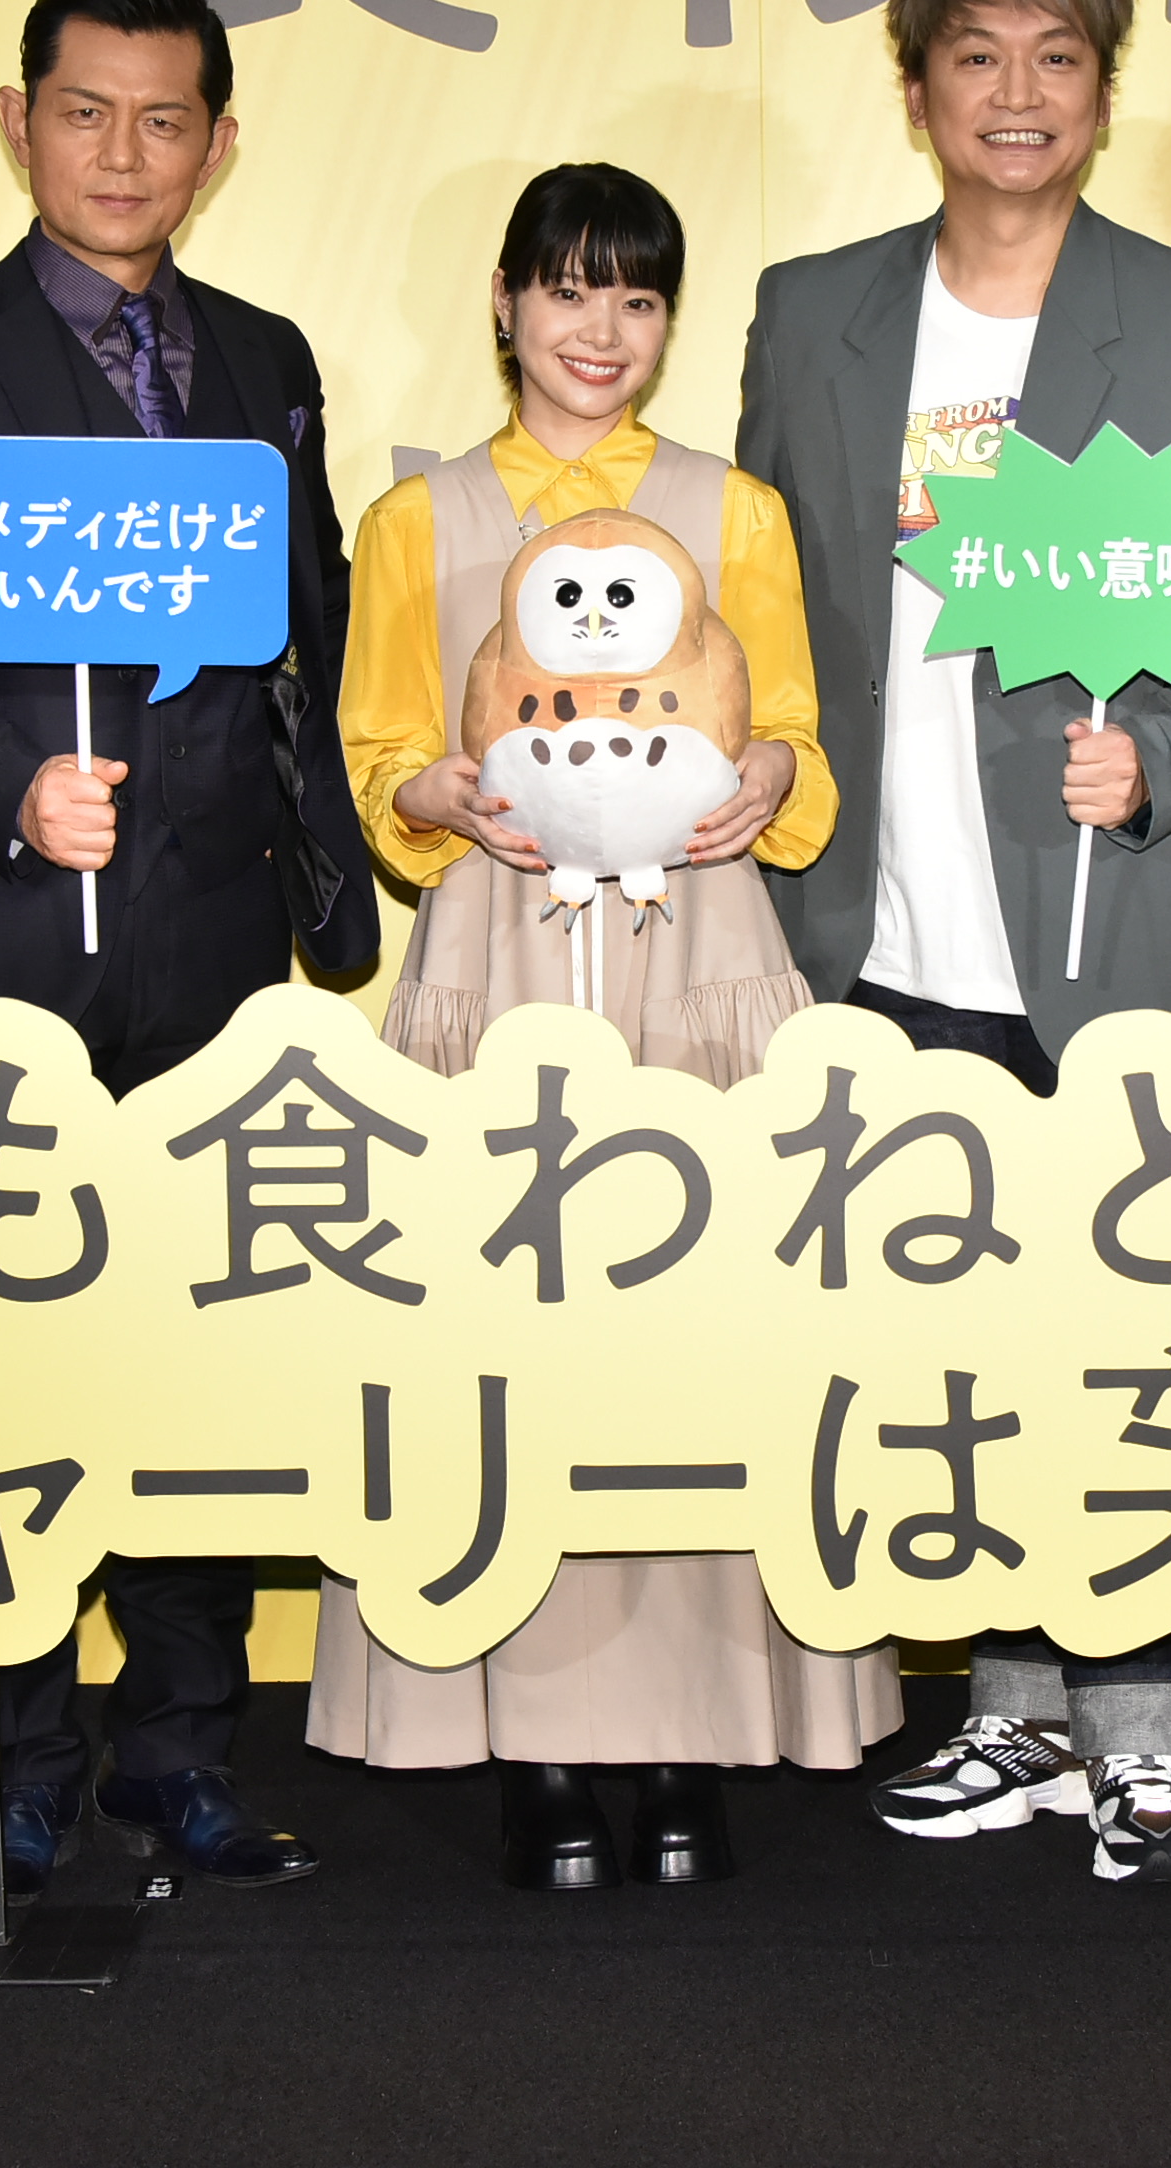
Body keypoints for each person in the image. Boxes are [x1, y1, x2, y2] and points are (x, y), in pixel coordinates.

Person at [742, 0, 1171, 1885]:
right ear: (917, 87)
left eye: (1055, 58)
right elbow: (761, 602)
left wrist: (1165, 760)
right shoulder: (812, 313)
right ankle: (1008, 1707)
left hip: (1105, 922)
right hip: (875, 940)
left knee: (1138, 1334)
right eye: (976, 55)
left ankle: (1148, 1737)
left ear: (1102, 88)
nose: (1016, 93)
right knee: (958, 1350)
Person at [0, 0, 378, 1911]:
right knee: (3, 1366)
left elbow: (307, 625)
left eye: (162, 120)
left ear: (215, 146)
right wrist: (1, 784)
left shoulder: (264, 360)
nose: (121, 153)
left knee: (199, 1352)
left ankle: (182, 1752)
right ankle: (19, 1762)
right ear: (17, 123)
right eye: (83, 111)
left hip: (212, 953)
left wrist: (328, 863)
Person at [306, 162, 900, 1888]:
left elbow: (793, 730)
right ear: (505, 304)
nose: (602, 330)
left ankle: (700, 1733)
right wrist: (434, 794)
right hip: (498, 955)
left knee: (709, 1334)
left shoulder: (735, 509)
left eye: (637, 298)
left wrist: (770, 771)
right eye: (569, 291)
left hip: (696, 954)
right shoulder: (419, 518)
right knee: (497, 1344)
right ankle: (535, 1747)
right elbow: (376, 751)